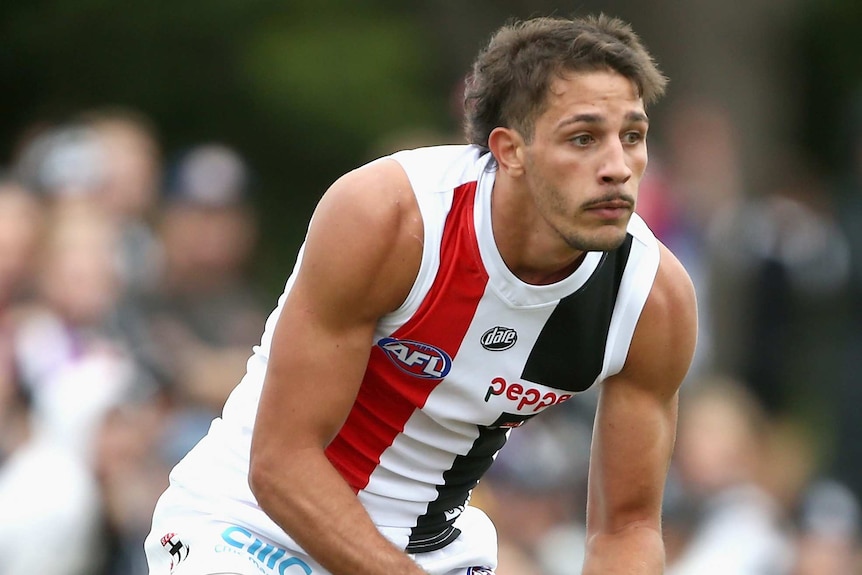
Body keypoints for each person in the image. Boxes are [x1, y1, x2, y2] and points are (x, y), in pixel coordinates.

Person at [144, 13, 697, 575]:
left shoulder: (654, 299)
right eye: (583, 138)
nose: (618, 168)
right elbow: (281, 464)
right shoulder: (392, 217)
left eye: (632, 136)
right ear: (510, 151)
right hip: (249, 528)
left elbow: (627, 528)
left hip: (435, 554)